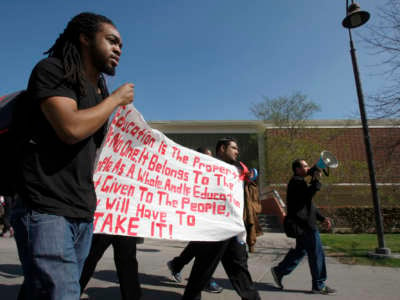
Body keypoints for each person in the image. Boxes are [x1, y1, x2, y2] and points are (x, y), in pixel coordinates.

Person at [11, 12, 134, 300]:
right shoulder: (52, 70)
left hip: (82, 212)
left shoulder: (99, 88)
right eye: (112, 41)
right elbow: (71, 128)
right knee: (63, 293)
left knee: (41, 291)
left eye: (121, 46)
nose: (118, 49)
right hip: (44, 208)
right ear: (85, 38)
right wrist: (115, 100)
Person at [181, 137, 261, 300]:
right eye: (233, 148)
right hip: (215, 228)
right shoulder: (209, 168)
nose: (237, 151)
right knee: (203, 269)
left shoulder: (238, 169)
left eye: (237, 148)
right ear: (222, 149)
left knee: (239, 269)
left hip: (233, 228)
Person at [270, 159, 336, 295]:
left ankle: (279, 271)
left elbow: (309, 205)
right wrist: (316, 180)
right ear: (297, 169)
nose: (308, 167)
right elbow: (308, 195)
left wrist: (322, 218)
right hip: (305, 226)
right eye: (305, 166)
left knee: (300, 251)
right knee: (316, 254)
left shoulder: (300, 182)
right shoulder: (296, 182)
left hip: (303, 224)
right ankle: (319, 285)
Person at [167, 146, 223, 294]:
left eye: (211, 158)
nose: (210, 161)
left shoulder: (211, 174)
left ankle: (177, 264)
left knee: (199, 246)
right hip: (199, 217)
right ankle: (204, 279)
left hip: (209, 217)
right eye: (207, 157)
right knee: (205, 250)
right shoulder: (191, 174)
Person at [80, 235, 141, 300]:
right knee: (89, 260)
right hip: (114, 229)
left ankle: (71, 292)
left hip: (116, 229)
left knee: (89, 260)